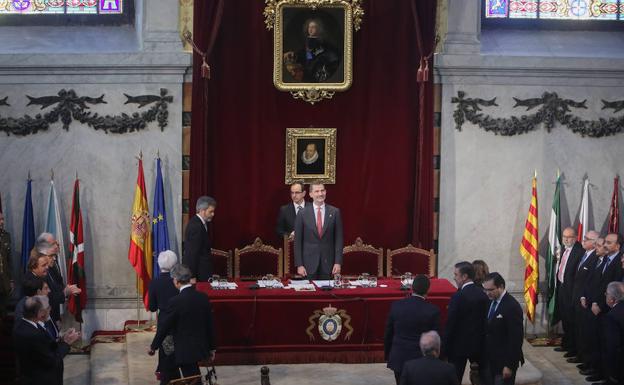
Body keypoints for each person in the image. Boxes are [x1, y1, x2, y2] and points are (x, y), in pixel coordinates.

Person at [148, 264, 216, 378]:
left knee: (171, 378)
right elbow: (210, 324)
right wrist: (212, 347)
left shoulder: (175, 302)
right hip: (199, 348)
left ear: (176, 281)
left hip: (181, 351)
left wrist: (153, 346)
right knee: (193, 377)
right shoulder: (203, 297)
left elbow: (164, 327)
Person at [384, 274, 440, 384]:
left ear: (412, 288)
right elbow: (435, 339)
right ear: (427, 290)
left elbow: (388, 333)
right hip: (421, 360)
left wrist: (388, 354)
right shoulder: (432, 310)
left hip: (399, 357)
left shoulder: (396, 306)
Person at [13, 295, 80, 385]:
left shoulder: (23, 325)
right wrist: (66, 343)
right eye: (48, 307)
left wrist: (62, 339)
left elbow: (45, 347)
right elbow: (52, 360)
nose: (50, 309)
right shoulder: (33, 335)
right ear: (40, 313)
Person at [443, 261, 489, 382]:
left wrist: (444, 348)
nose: (454, 277)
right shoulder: (483, 295)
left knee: (454, 379)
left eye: (456, 274)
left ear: (464, 277)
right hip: (479, 346)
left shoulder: (458, 296)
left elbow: (451, 324)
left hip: (458, 347)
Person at [294, 182, 343, 279]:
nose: (320, 194)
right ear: (310, 194)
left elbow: (339, 240)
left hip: (328, 264)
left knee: (328, 293)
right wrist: (299, 264)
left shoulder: (335, 212)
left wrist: (338, 262)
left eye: (322, 190)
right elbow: (298, 241)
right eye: (317, 191)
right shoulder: (302, 213)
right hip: (308, 266)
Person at [482, 272, 524, 385]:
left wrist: (509, 365)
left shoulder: (512, 306)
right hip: (489, 360)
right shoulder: (489, 301)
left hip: (503, 362)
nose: (487, 293)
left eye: (490, 290)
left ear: (500, 287)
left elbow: (515, 339)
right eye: (485, 290)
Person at [148, 250, 180, 385]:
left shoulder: (154, 283)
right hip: (179, 321)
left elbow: (152, 307)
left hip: (164, 322)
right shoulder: (178, 281)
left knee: (165, 354)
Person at [554, 227, 585, 358]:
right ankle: (566, 344)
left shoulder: (579, 251)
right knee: (565, 318)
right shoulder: (564, 249)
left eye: (570, 237)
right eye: (564, 236)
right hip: (562, 287)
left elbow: (579, 277)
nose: (566, 239)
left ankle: (573, 348)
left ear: (576, 237)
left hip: (572, 291)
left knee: (572, 321)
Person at [570, 230, 599, 367]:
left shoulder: (595, 257)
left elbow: (589, 281)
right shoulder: (584, 254)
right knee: (578, 329)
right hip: (577, 297)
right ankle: (579, 355)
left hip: (585, 301)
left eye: (587, 239)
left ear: (594, 243)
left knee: (585, 332)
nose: (583, 240)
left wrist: (583, 296)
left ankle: (586, 359)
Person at [283, 17, 340, 83]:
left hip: (317, 72)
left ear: (319, 29)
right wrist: (294, 54)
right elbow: (306, 54)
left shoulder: (323, 43)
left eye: (313, 27)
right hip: (306, 71)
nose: (310, 29)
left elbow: (331, 55)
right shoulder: (308, 42)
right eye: (309, 27)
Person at [183, 196, 216, 282]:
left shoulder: (200, 223)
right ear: (202, 210)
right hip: (198, 275)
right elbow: (192, 253)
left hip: (202, 273)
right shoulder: (196, 226)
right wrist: (192, 276)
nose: (213, 214)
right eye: (211, 211)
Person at [604, 281, 624, 385]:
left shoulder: (612, 315)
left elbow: (613, 345)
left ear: (612, 299)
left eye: (606, 294)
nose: (605, 295)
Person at [0, 211, 13, 317]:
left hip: (4, 282)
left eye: (2, 219)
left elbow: (9, 260)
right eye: (0, 219)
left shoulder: (6, 236)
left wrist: (11, 279)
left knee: (3, 311)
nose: (2, 222)